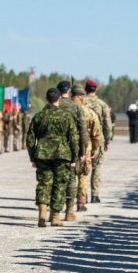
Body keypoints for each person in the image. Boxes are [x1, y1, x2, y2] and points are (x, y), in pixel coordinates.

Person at [27, 88, 79, 227]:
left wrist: (33, 157)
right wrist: (74, 158)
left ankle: (42, 211)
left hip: (43, 155)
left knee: (44, 184)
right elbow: (74, 138)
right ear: (59, 99)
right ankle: (55, 216)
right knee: (60, 185)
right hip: (62, 155)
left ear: (46, 98)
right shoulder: (67, 116)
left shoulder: (38, 116)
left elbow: (30, 139)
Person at [57, 81, 87, 222]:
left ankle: (55, 211)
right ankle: (69, 211)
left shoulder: (51, 106)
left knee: (55, 179)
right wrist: (83, 150)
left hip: (53, 148)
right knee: (70, 179)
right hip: (70, 148)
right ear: (69, 91)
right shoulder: (76, 108)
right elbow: (82, 131)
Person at [72, 85, 103, 211]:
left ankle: (67, 202)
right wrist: (94, 149)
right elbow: (96, 135)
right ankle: (80, 202)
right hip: (86, 148)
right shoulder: (90, 112)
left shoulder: (66, 110)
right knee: (83, 175)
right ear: (81, 96)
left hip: (68, 147)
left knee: (68, 176)